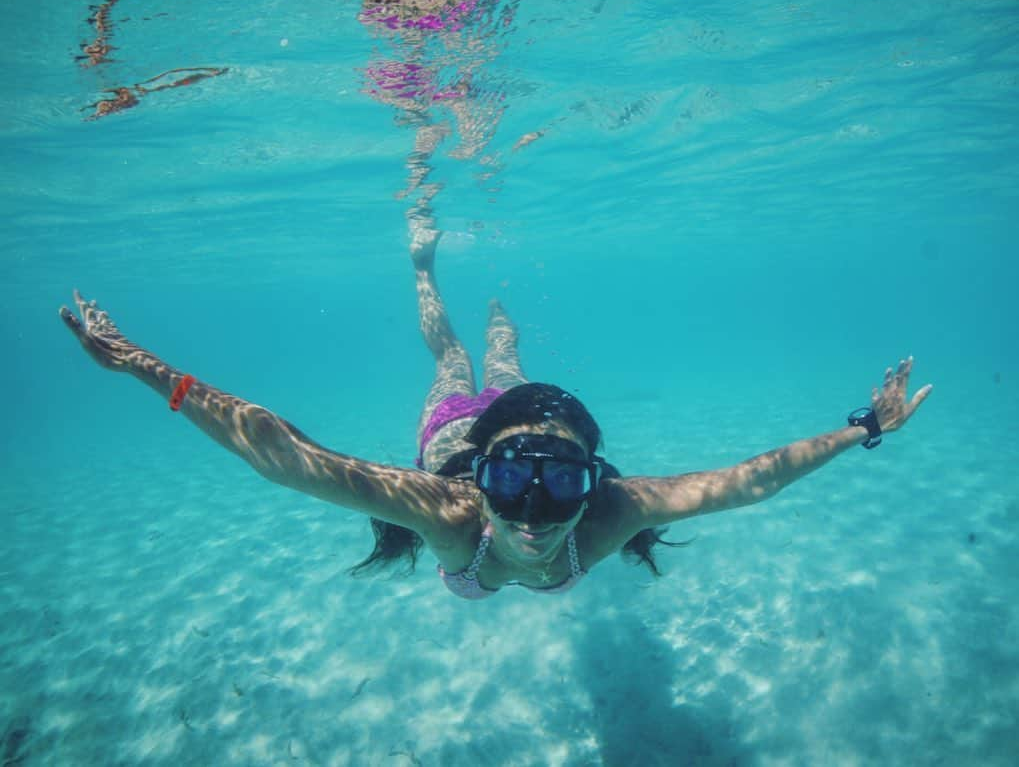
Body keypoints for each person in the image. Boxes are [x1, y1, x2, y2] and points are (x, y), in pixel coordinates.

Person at [58, 221, 932, 599]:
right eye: (513, 476)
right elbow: (281, 451)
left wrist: (866, 428)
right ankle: (426, 271)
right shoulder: (455, 503)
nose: (533, 508)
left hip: (497, 418)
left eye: (556, 479)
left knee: (503, 357)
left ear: (591, 477)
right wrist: (139, 364)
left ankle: (501, 311)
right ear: (483, 476)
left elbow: (744, 485)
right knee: (453, 360)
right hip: (454, 426)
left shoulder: (605, 507)